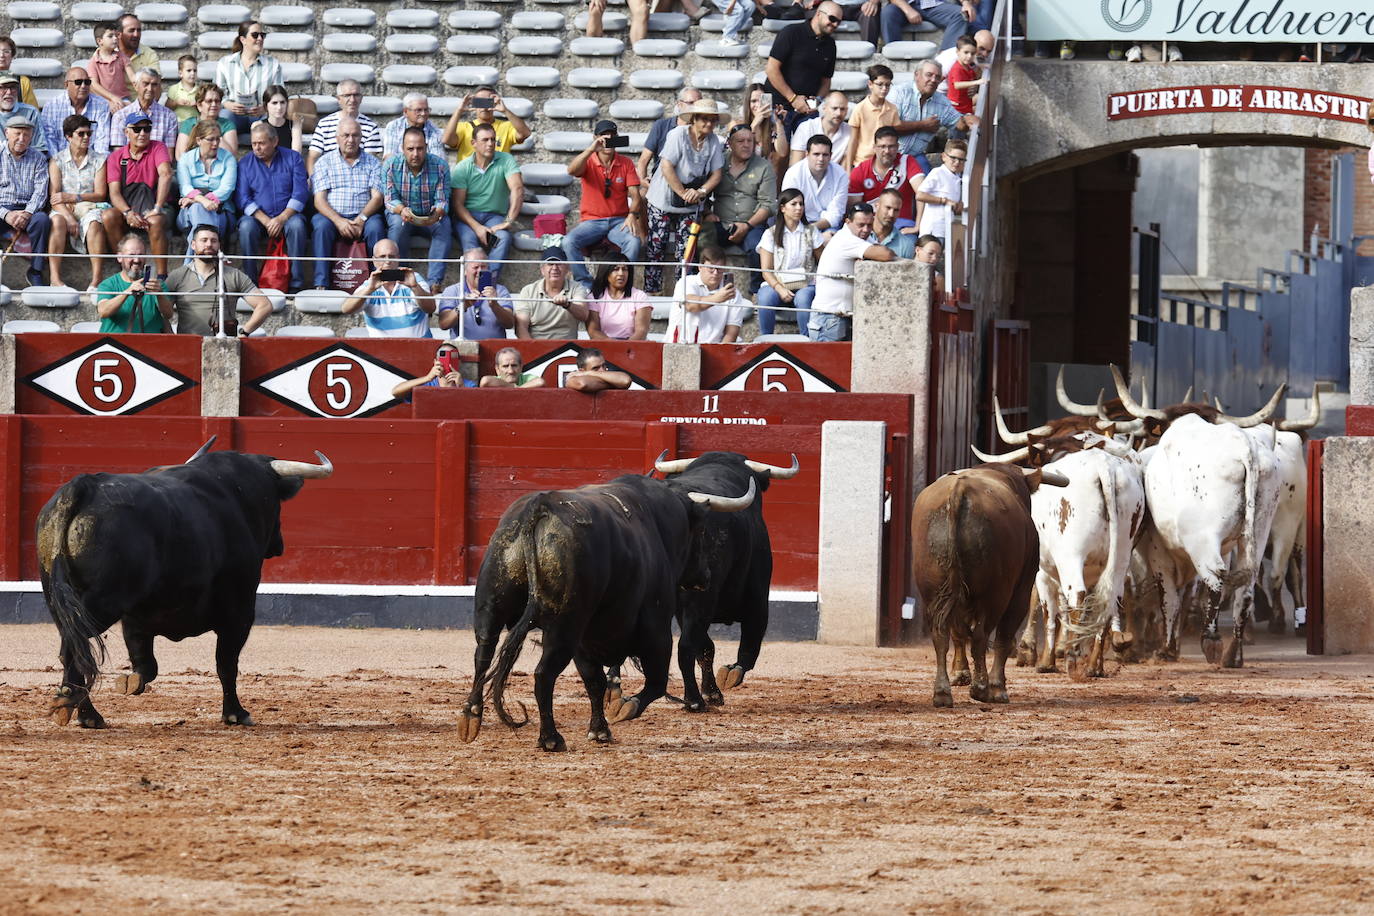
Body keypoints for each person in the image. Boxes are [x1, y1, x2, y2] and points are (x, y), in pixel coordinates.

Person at [643, 99, 724, 293]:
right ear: (694, 119)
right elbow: (666, 166)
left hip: (692, 199)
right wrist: (682, 192)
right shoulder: (677, 134)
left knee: (687, 251)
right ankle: (652, 291)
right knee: (657, 246)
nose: (709, 124)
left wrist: (701, 191)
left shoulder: (713, 140)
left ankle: (684, 292)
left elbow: (717, 173)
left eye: (713, 120)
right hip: (663, 196)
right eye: (704, 119)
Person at [564, 120, 645, 286]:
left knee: (634, 242)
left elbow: (636, 196)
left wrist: (632, 215)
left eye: (612, 136)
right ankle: (585, 283)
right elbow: (571, 171)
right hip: (592, 221)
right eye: (603, 135)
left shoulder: (626, 162)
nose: (608, 139)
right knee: (568, 241)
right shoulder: (588, 159)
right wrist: (591, 149)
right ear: (596, 138)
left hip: (618, 221)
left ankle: (621, 283)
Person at [310, 116, 385, 289]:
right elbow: (319, 200)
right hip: (332, 216)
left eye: (355, 135)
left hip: (364, 216)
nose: (350, 140)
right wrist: (338, 221)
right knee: (321, 226)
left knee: (376, 227)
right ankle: (321, 284)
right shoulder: (324, 162)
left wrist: (361, 219)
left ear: (361, 138)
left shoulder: (373, 163)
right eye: (345, 135)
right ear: (337, 138)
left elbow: (377, 198)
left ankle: (378, 281)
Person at [163, 223, 274, 335]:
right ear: (193, 245)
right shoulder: (177, 276)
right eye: (204, 240)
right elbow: (162, 313)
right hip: (188, 346)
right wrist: (172, 338)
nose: (209, 244)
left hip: (223, 347)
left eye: (214, 241)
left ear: (219, 245)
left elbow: (264, 305)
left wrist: (244, 332)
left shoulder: (234, 275)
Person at [236, 121, 308, 291]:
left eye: (261, 143)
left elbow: (300, 192)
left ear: (274, 142)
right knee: (246, 227)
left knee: (297, 226)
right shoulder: (245, 163)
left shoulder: (293, 158)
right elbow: (242, 198)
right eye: (254, 144)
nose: (257, 148)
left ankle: (296, 284)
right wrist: (267, 220)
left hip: (289, 215)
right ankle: (250, 283)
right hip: (258, 218)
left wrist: (282, 218)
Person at [102, 111, 174, 279]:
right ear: (126, 132)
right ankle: (123, 268)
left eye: (147, 129)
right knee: (108, 216)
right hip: (128, 207)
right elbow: (114, 192)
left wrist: (157, 207)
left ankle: (163, 275)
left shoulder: (158, 147)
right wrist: (127, 213)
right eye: (137, 129)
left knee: (155, 220)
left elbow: (166, 174)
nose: (142, 133)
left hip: (156, 205)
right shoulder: (116, 157)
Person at [808, 201, 894, 340]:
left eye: (869, 225)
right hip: (829, 318)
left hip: (840, 317)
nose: (866, 230)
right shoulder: (847, 239)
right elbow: (886, 254)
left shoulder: (859, 238)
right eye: (861, 225)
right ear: (848, 222)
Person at [451, 122, 523, 282]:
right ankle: (471, 286)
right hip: (468, 218)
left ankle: (488, 283)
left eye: (493, 139)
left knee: (502, 238)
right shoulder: (463, 167)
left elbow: (517, 189)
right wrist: (477, 228)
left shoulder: (506, 160)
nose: (490, 144)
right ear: (473, 143)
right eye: (485, 140)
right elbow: (457, 205)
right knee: (470, 241)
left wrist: (508, 221)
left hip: (494, 217)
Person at [385, 126, 453, 292]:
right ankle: (398, 278)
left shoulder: (440, 166)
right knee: (397, 226)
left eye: (420, 149)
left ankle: (434, 283)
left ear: (426, 147)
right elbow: (389, 198)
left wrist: (437, 211)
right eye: (410, 149)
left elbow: (442, 199)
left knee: (443, 226)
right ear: (402, 148)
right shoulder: (391, 165)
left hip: (428, 216)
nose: (415, 154)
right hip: (402, 213)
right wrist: (401, 209)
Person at [47, 115, 110, 290]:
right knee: (57, 221)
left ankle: (96, 281)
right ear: (68, 136)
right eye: (81, 134)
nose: (86, 137)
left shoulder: (99, 159)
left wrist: (74, 197)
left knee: (94, 223)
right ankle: (55, 278)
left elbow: (100, 194)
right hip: (63, 208)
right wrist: (69, 218)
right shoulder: (57, 160)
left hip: (87, 205)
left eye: (89, 133)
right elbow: (55, 198)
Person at [710, 123, 775, 290]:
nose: (746, 145)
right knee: (701, 241)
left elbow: (768, 205)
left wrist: (746, 226)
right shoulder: (718, 162)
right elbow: (703, 189)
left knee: (758, 247)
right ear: (730, 144)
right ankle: (700, 286)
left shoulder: (763, 166)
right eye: (740, 141)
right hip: (721, 222)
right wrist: (705, 212)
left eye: (750, 141)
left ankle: (756, 291)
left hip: (752, 223)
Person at [765, 1, 842, 135]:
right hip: (779, 107)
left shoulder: (831, 44)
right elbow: (771, 69)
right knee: (778, 154)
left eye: (838, 22)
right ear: (818, 14)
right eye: (832, 19)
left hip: (807, 111)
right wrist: (793, 99)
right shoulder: (791, 32)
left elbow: (826, 80)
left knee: (809, 151)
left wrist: (817, 101)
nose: (835, 24)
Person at [755, 187, 821, 335]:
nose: (799, 208)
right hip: (778, 282)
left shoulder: (811, 231)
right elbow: (766, 269)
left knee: (804, 298)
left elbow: (822, 260)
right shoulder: (770, 233)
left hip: (806, 282)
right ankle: (766, 339)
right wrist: (779, 288)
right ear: (783, 208)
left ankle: (807, 340)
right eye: (794, 204)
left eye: (801, 204)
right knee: (765, 298)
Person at [891, 59, 977, 170]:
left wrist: (967, 119)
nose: (933, 80)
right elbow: (890, 127)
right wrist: (922, 125)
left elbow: (959, 124)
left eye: (937, 77)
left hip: (915, 156)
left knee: (928, 185)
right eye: (929, 75)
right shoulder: (899, 92)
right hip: (889, 153)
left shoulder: (941, 101)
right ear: (917, 75)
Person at [341, 238, 436, 337]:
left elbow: (430, 308)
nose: (387, 261)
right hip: (381, 350)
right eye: (382, 257)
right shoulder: (370, 284)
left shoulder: (413, 278)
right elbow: (346, 309)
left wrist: (415, 287)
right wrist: (369, 290)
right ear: (374, 260)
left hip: (418, 348)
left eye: (391, 256)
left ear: (398, 258)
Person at [0, 112, 51, 287]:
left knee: (42, 220)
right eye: (17, 133)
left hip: (27, 209)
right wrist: (6, 214)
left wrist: (28, 212)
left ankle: (36, 270)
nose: (22, 138)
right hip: (2, 208)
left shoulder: (38, 158)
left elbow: (40, 191)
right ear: (7, 133)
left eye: (26, 134)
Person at [176, 119, 237, 249]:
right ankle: (211, 257)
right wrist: (202, 201)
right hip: (188, 215)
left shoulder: (228, 158)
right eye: (210, 139)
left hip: (221, 211)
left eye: (218, 139)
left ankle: (191, 263)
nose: (215, 144)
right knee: (199, 210)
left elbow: (226, 190)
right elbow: (185, 187)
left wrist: (195, 200)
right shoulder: (186, 159)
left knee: (199, 215)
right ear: (199, 140)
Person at [214, 21, 282, 136]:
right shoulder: (225, 63)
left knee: (273, 118)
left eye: (262, 35)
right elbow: (218, 93)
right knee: (224, 117)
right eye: (255, 35)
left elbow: (279, 95)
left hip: (261, 115)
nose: (260, 38)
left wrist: (265, 108)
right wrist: (228, 105)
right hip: (234, 115)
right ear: (243, 39)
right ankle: (227, 154)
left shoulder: (273, 64)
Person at [667, 245, 747, 343]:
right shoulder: (686, 282)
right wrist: (717, 298)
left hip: (716, 350)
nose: (715, 273)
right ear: (700, 267)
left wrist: (719, 354)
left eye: (720, 269)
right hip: (682, 346)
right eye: (710, 268)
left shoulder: (733, 293)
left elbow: (731, 333)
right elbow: (690, 305)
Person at [848, 126, 924, 223]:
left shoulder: (907, 162)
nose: (887, 151)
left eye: (891, 146)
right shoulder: (860, 170)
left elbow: (923, 192)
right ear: (874, 148)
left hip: (901, 225)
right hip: (869, 226)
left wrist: (918, 225)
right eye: (882, 146)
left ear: (897, 147)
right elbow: (854, 209)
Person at [95, 234, 169, 333]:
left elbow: (169, 314)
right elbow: (103, 311)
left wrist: (159, 295)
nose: (137, 260)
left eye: (141, 255)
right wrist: (127, 292)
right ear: (119, 257)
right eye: (131, 255)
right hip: (114, 345)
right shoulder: (108, 284)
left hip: (150, 345)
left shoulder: (156, 285)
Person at [307, 80, 382, 173]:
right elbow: (312, 157)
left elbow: (368, 162)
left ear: (361, 98)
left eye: (356, 95)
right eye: (347, 95)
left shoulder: (370, 127)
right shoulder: (324, 124)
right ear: (338, 99)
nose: (352, 100)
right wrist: (313, 180)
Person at [514, 247, 590, 339]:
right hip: (536, 346)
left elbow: (583, 315)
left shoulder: (577, 288)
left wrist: (567, 305)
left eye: (559, 264)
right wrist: (532, 349)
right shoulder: (528, 291)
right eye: (550, 264)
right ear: (542, 270)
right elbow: (520, 327)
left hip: (568, 348)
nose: (554, 268)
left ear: (567, 268)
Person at [440, 88, 531, 162]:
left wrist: (505, 111)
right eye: (480, 102)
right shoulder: (464, 127)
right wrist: (458, 111)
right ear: (474, 104)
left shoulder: (506, 126)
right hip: (469, 180)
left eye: (487, 102)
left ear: (494, 103)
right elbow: (446, 140)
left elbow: (525, 133)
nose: (484, 107)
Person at [40, 67, 111, 159]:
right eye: (78, 82)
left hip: (92, 161)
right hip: (60, 161)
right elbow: (49, 140)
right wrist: (58, 163)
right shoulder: (52, 106)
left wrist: (97, 164)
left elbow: (102, 141)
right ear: (66, 85)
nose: (83, 86)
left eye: (87, 82)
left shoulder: (101, 105)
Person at [781, 134, 847, 234]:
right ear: (807, 154)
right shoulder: (793, 174)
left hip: (828, 226)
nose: (821, 159)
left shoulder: (840, 174)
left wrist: (812, 229)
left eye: (825, 155)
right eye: (816, 154)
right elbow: (789, 210)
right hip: (798, 224)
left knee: (830, 241)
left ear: (830, 156)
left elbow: (836, 214)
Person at [437, 255, 514, 340]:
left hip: (496, 348)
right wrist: (463, 306)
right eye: (476, 267)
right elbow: (444, 324)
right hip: (463, 348)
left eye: (483, 266)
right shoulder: (452, 291)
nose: (480, 270)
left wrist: (495, 305)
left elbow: (510, 324)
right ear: (465, 271)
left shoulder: (500, 290)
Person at [638, 87, 701, 181]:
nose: (695, 107)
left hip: (690, 184)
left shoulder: (702, 130)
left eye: (699, 103)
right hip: (661, 181)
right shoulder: (661, 126)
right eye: (691, 103)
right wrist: (643, 182)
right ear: (679, 104)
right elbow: (643, 160)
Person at [586, 254, 652, 340]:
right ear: (606, 272)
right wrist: (614, 345)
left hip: (633, 346)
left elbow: (641, 330)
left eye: (625, 269)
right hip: (603, 345)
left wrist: (625, 347)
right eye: (616, 269)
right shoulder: (594, 297)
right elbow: (593, 331)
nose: (621, 274)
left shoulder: (639, 296)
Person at [846, 65, 898, 168]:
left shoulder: (892, 109)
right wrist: (848, 168)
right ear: (870, 84)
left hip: (884, 162)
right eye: (880, 85)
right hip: (862, 162)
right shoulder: (860, 108)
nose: (884, 89)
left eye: (887, 85)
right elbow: (853, 140)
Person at [111, 69, 178, 150]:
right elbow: (118, 154)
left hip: (158, 162)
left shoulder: (169, 117)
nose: (150, 89)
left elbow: (168, 155)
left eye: (154, 85)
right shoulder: (120, 116)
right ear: (135, 86)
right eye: (145, 84)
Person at [915, 138, 966, 243]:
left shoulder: (958, 178)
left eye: (961, 160)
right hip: (932, 230)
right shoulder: (937, 173)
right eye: (953, 158)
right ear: (943, 157)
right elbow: (920, 195)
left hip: (946, 230)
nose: (957, 163)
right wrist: (944, 201)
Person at [173, 83, 237, 158]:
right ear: (199, 105)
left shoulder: (227, 125)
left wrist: (214, 136)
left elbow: (231, 156)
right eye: (209, 101)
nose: (214, 104)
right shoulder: (189, 124)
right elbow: (180, 155)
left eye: (217, 101)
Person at [880, 0, 975, 50]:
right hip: (904, 4)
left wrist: (966, 3)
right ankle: (894, 52)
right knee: (888, 13)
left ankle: (946, 57)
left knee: (960, 14)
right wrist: (908, 10)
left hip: (933, 5)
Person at [789, 91, 851, 167]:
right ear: (824, 108)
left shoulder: (849, 132)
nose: (838, 113)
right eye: (834, 108)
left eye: (842, 109)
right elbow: (796, 164)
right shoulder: (806, 127)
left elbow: (845, 165)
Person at [742, 83, 791, 178]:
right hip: (744, 178)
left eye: (761, 101)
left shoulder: (772, 127)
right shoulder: (738, 125)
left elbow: (782, 152)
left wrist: (778, 122)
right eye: (753, 101)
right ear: (748, 104)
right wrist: (755, 124)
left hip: (765, 180)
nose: (758, 105)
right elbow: (739, 152)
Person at [87, 22, 135, 114]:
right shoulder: (93, 62)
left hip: (122, 99)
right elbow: (95, 85)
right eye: (110, 36)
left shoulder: (121, 56)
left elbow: (132, 76)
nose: (115, 38)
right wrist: (112, 98)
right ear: (99, 41)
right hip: (103, 100)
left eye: (116, 36)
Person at [392, 340, 468, 399]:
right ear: (435, 362)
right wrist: (427, 378)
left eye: (453, 357)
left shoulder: (468, 385)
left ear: (459, 362)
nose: (448, 362)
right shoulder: (426, 385)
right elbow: (395, 392)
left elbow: (473, 407)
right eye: (443, 358)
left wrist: (461, 386)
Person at [382, 93, 445, 160]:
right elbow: (389, 158)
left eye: (426, 110)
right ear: (406, 112)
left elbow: (437, 161)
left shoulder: (434, 131)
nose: (423, 114)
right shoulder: (394, 127)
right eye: (418, 110)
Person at [944, 35, 986, 129]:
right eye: (966, 52)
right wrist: (977, 82)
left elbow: (973, 75)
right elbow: (957, 85)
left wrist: (982, 68)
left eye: (972, 53)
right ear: (957, 52)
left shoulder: (968, 66)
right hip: (957, 110)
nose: (969, 56)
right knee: (956, 136)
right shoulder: (957, 68)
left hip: (965, 107)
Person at [0, 72, 44, 157]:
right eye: (3, 88)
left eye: (13, 88)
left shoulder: (31, 112)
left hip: (27, 163)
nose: (9, 92)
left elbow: (41, 148)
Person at [870, 188, 916, 258]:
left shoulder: (906, 245)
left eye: (896, 210)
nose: (891, 214)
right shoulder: (859, 234)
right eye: (888, 208)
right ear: (877, 206)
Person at [259, 85, 303, 154]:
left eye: (282, 102)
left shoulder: (294, 124)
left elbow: (296, 154)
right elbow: (261, 153)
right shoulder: (259, 125)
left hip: (289, 163)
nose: (279, 107)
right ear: (266, 106)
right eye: (274, 103)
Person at [564, 348, 632, 392]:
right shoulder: (572, 378)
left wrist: (589, 373)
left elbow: (625, 380)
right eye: (595, 368)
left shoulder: (586, 373)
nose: (602, 370)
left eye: (603, 366)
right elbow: (583, 384)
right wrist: (614, 384)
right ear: (581, 370)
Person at [479, 346, 545, 388]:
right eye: (505, 366)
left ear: (521, 367)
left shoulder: (526, 378)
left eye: (514, 365)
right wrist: (512, 387)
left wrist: (516, 389)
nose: (510, 371)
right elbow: (485, 381)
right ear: (497, 369)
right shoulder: (496, 380)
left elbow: (540, 382)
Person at [0, 36, 38, 107]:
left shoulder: (22, 82)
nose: (2, 55)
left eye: (6, 52)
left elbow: (32, 113)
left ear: (12, 56)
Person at [166, 55, 200, 122]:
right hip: (177, 122)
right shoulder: (174, 89)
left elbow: (203, 110)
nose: (192, 73)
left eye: (195, 70)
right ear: (180, 73)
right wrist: (176, 102)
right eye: (189, 70)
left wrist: (197, 104)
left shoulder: (200, 90)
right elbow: (167, 107)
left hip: (194, 123)